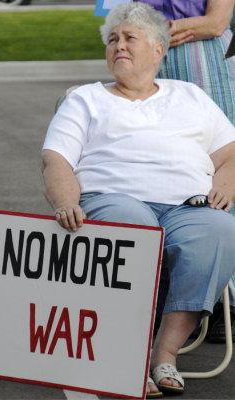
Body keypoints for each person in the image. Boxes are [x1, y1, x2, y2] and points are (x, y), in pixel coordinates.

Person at [41, 3, 235, 398]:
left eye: (130, 38)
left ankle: (166, 354)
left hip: (187, 205)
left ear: (159, 49)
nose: (119, 45)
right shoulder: (86, 99)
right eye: (113, 39)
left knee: (219, 229)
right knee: (134, 230)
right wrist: (64, 202)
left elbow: (230, 153)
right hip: (114, 199)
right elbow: (55, 159)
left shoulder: (190, 95)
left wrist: (228, 184)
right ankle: (125, 356)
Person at [134, 0, 235, 343]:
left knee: (217, 168)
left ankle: (225, 302)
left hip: (202, 59)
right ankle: (172, 296)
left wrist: (150, 33)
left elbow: (216, 23)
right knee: (161, 168)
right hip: (151, 58)